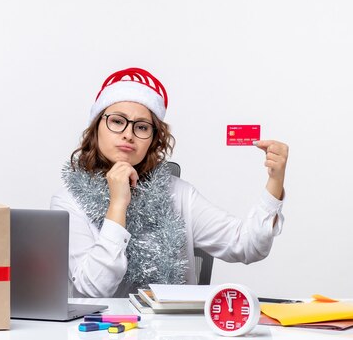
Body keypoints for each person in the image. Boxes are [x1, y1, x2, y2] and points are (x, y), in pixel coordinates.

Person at [51, 67, 289, 298]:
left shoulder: (177, 193)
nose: (128, 134)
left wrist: (275, 181)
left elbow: (247, 245)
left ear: (154, 140)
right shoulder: (68, 202)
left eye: (142, 127)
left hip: (173, 329)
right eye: (116, 121)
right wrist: (117, 205)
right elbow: (93, 288)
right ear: (96, 128)